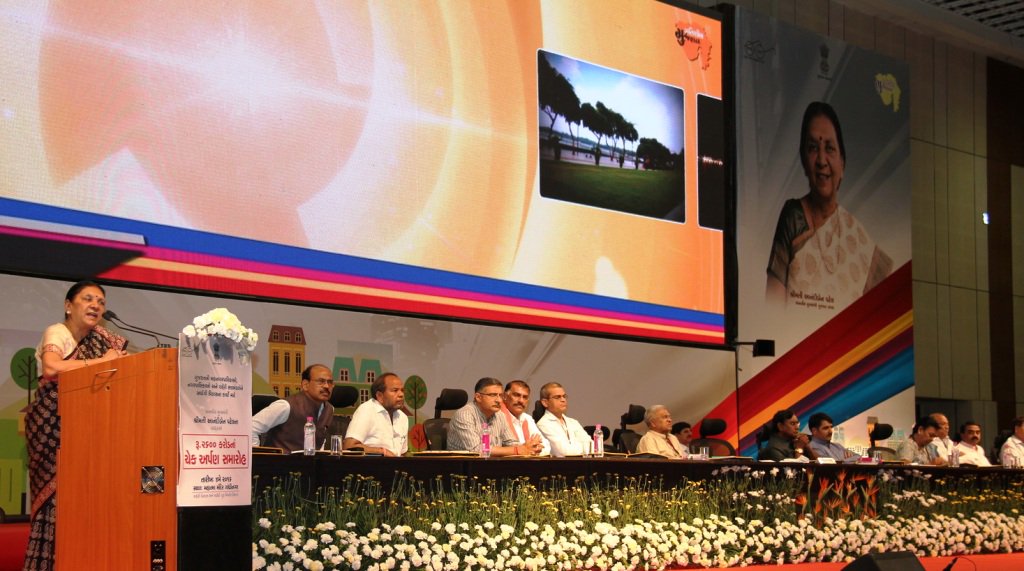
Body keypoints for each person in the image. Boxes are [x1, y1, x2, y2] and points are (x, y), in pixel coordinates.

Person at [25, 280, 129, 569]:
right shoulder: (57, 332)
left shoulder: (104, 340)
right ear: (68, 306)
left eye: (101, 302)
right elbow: (52, 368)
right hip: (53, 431)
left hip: (91, 433)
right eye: (88, 299)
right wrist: (101, 363)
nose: (96, 305)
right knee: (58, 505)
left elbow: (122, 367)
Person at [766, 101, 892, 306]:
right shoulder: (793, 217)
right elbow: (772, 309)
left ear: (842, 164)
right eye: (813, 148)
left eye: (830, 148)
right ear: (804, 160)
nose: (821, 160)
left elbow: (879, 313)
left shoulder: (859, 241)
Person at [252, 364, 335, 452]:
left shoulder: (329, 409)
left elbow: (320, 442)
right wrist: (257, 456)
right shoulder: (285, 406)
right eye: (321, 381)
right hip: (277, 460)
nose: (327, 386)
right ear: (305, 385)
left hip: (310, 460)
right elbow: (250, 428)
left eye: (330, 382)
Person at [446, 377, 524, 456]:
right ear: (478, 397)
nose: (499, 400)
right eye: (493, 395)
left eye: (501, 395)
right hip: (463, 463)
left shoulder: (500, 415)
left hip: (491, 462)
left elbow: (511, 442)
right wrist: (516, 450)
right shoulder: (465, 415)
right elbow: (476, 450)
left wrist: (526, 448)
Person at [343, 372, 408, 456]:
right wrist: (382, 452)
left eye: (402, 390)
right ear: (380, 396)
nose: (401, 394)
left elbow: (403, 453)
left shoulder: (403, 417)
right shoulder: (367, 410)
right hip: (371, 464)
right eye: (395, 390)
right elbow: (349, 446)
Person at [535, 382, 592, 457]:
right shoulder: (543, 424)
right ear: (545, 402)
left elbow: (591, 446)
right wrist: (583, 448)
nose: (563, 400)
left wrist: (576, 448)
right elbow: (563, 452)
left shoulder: (573, 422)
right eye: (557, 397)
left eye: (564, 396)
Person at [498, 380, 548, 456]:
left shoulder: (527, 418)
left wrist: (531, 449)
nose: (521, 401)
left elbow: (546, 447)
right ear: (505, 396)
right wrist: (525, 449)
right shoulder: (498, 416)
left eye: (525, 397)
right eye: (516, 395)